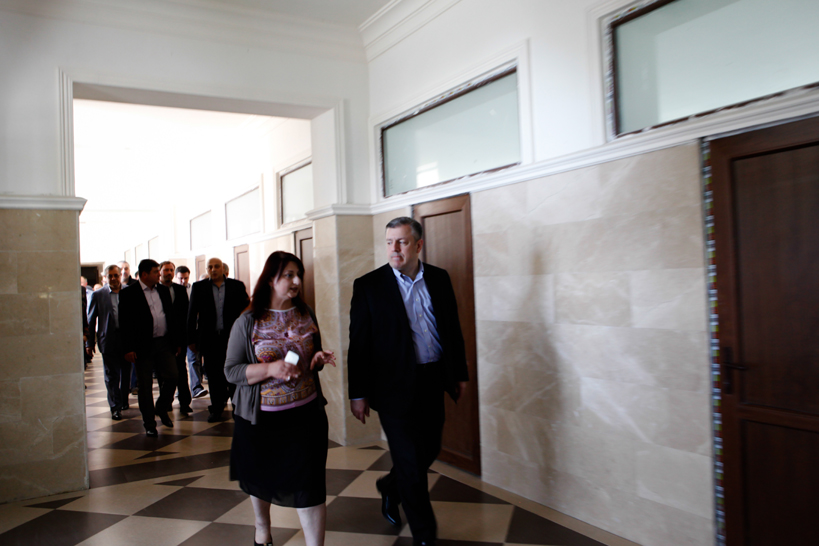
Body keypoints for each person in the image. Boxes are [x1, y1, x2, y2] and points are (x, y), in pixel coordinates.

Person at [348, 217, 468, 546]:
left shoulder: (439, 278)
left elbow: (452, 330)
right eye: (389, 242)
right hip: (392, 386)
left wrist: (458, 373)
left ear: (418, 245)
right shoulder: (369, 285)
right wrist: (358, 393)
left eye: (401, 242)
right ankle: (425, 537)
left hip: (432, 379)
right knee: (412, 465)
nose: (394, 249)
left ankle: (390, 486)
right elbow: (358, 345)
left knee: (429, 449)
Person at [225, 251, 335, 546]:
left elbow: (311, 357)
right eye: (289, 275)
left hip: (306, 416)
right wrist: (269, 368)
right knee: (261, 478)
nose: (297, 280)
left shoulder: (305, 313)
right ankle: (262, 528)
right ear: (271, 279)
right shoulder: (248, 321)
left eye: (299, 275)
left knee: (311, 484)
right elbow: (231, 371)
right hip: (262, 420)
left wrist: (317, 360)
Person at [119, 259, 184, 436]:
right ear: (144, 274)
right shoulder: (129, 293)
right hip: (142, 345)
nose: (159, 274)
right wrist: (128, 348)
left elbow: (170, 317)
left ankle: (161, 407)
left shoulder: (162, 290)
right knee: (145, 385)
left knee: (173, 376)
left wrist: (176, 342)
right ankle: (149, 423)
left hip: (164, 342)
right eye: (156, 272)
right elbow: (124, 323)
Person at [188, 257, 249, 422]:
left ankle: (238, 408)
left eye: (216, 266)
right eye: (210, 267)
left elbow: (247, 310)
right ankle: (216, 408)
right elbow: (192, 314)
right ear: (207, 270)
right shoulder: (199, 287)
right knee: (214, 376)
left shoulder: (236, 286)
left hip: (233, 338)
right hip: (210, 339)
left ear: (223, 269)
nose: (213, 270)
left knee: (235, 374)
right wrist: (191, 339)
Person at [86, 264, 129, 419]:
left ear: (120, 275)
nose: (113, 278)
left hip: (127, 340)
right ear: (105, 278)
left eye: (116, 275)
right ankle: (115, 407)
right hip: (108, 340)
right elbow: (91, 320)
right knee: (111, 375)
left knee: (126, 373)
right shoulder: (98, 295)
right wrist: (89, 343)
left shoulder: (129, 291)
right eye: (110, 276)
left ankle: (123, 400)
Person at [159, 261, 193, 416]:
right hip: (162, 337)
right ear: (160, 272)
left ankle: (185, 402)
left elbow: (186, 314)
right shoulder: (156, 290)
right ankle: (166, 402)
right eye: (166, 270)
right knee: (164, 373)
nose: (169, 273)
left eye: (171, 270)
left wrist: (185, 338)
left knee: (181, 370)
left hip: (179, 337)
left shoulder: (180, 290)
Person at [176, 265, 207, 399]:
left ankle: (196, 387)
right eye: (181, 278)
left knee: (194, 359)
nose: (183, 281)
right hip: (178, 332)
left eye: (186, 278)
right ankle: (181, 389)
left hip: (192, 331)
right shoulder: (174, 291)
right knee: (179, 363)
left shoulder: (193, 289)